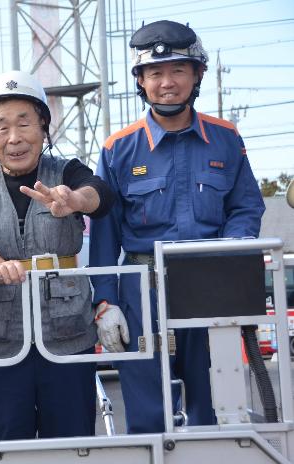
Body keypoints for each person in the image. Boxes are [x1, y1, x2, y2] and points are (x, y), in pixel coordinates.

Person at [89, 20, 266, 434]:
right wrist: (105, 302)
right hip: (142, 291)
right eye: (155, 73)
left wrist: (232, 253)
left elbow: (246, 206)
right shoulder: (119, 148)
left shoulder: (225, 139)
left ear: (197, 75)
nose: (166, 83)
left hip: (210, 285)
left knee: (214, 404)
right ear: (141, 81)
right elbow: (104, 234)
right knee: (148, 411)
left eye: (178, 71)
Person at [0, 70, 116, 440]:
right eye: (1, 126)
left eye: (24, 123)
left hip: (68, 331)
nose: (14, 138)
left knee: (73, 439)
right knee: (8, 439)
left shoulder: (68, 171)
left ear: (44, 125)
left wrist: (75, 200)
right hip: (0, 337)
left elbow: (100, 193)